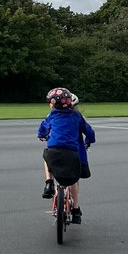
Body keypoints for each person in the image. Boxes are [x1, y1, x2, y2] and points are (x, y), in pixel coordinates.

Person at [40, 87, 92, 223]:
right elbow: (89, 131)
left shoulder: (52, 115)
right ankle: (75, 209)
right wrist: (89, 140)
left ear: (52, 103)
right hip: (71, 153)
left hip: (54, 151)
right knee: (74, 179)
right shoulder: (76, 116)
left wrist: (42, 136)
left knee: (46, 158)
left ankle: (49, 182)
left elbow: (43, 128)